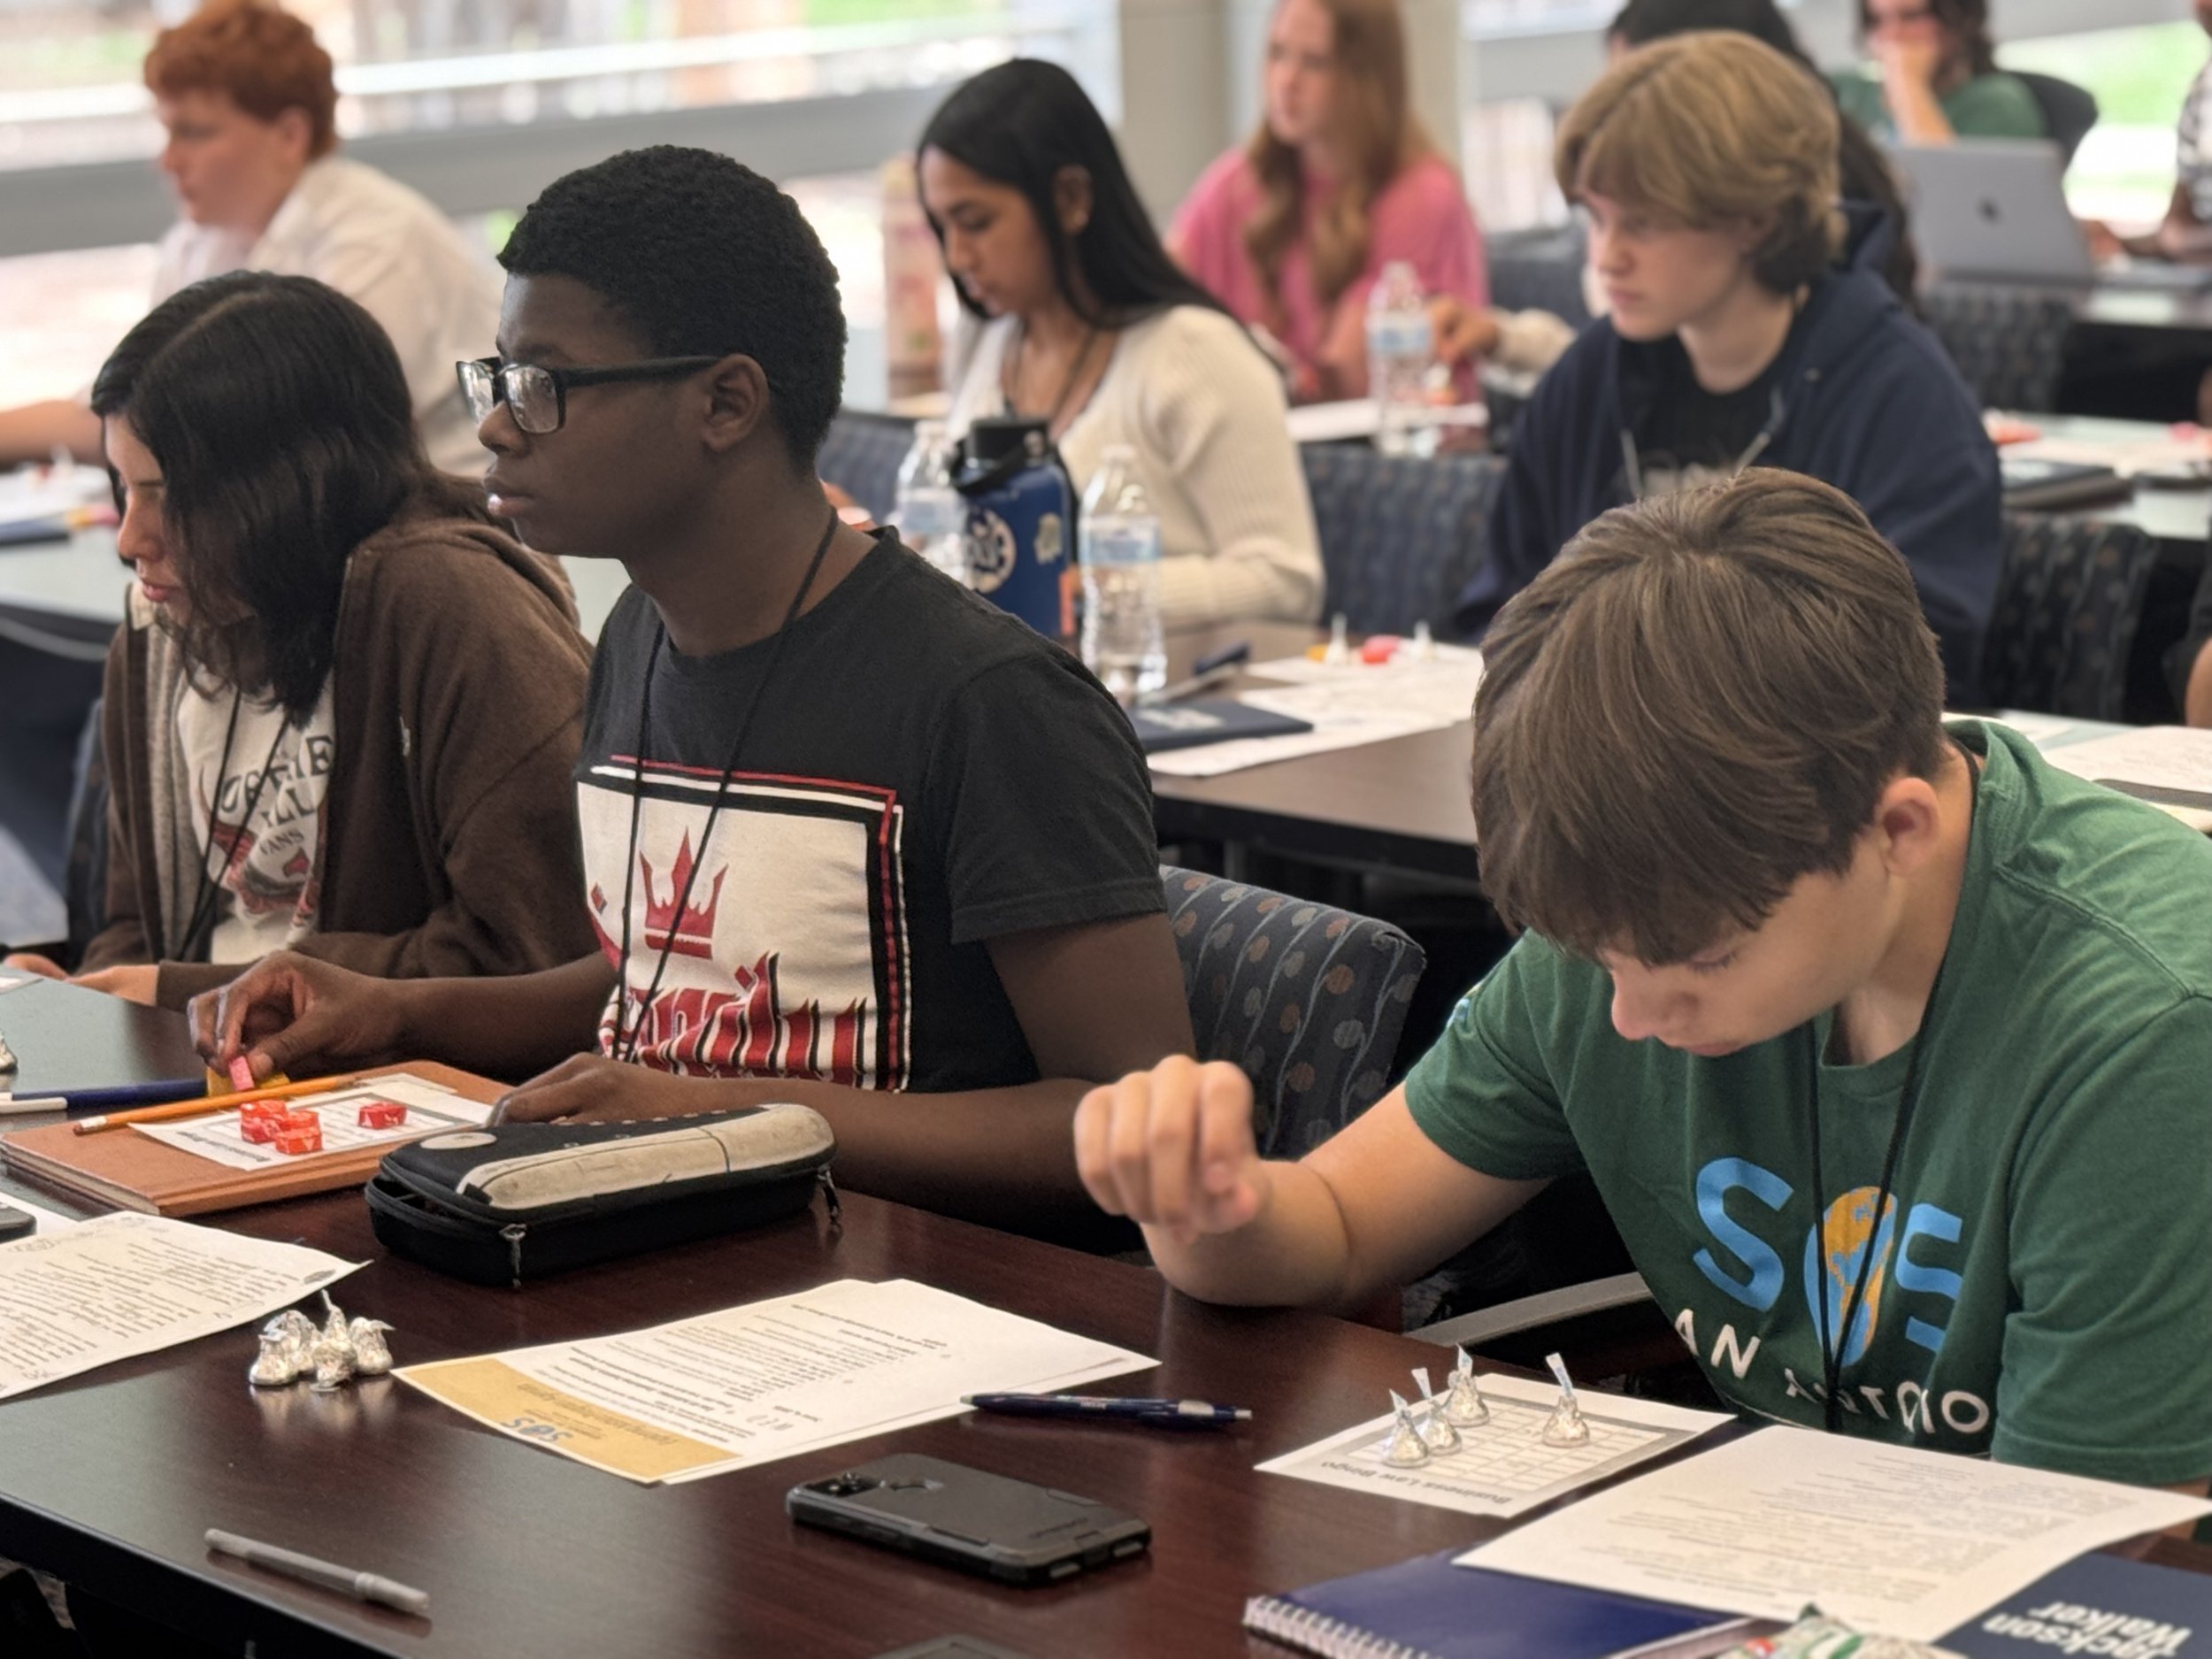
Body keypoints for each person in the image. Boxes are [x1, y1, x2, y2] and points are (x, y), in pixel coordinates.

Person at [1079, 471, 2212, 1489]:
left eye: (1701, 962)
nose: (1629, 1013)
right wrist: (1205, 1211)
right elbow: (1329, 1228)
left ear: (1898, 829)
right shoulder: (1649, 910)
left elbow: (2086, 1569)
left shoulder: (2147, 1033)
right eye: (1598, 959)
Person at [191, 146, 1196, 1248]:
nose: (495, 426)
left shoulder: (987, 703)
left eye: (545, 386)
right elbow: (659, 987)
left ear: (725, 402)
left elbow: (1126, 1120)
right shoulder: (638, 638)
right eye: (498, 378)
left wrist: (724, 1115)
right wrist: (398, 1010)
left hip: (915, 1298)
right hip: (685, 1253)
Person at [0, 272, 595, 1010]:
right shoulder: (160, 631)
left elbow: (535, 956)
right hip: (216, 1075)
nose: (130, 539)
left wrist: (185, 992)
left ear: (291, 489)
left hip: (408, 1087)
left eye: (167, 496)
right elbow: (136, 932)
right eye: (125, 489)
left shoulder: (454, 605)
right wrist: (89, 998)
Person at [1456, 31, 2001, 705]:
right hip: (1598, 766)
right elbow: (1502, 611)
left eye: (1644, 223)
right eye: (1596, 219)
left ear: (1755, 222)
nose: (1606, 256)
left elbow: (1910, 668)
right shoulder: (1592, 372)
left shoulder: (1898, 391)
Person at [0, 0, 499, 475]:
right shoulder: (199, 245)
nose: (168, 161)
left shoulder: (375, 245)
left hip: (454, 532)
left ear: (288, 135)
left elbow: (274, 439)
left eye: (193, 133)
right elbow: (129, 408)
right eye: (167, 131)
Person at [919, 60, 1324, 629]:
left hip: (1155, 692)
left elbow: (1285, 581)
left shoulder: (1194, 353)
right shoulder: (986, 340)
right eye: (943, 229)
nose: (958, 258)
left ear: (1070, 198)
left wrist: (1091, 592)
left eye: (977, 223)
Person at [1170, 0, 1549, 395]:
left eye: (1314, 62)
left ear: (1364, 75)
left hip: (1381, 448)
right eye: (1277, 54)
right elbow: (1155, 292)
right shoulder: (1241, 179)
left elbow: (1342, 380)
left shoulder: (1423, 196)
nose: (1286, 80)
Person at [2085, 0, 2212, 269]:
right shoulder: (2203, 88)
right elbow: (2180, 218)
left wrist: (2180, 240)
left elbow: (2179, 236)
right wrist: (2121, 242)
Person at [1828, 0, 2048, 145]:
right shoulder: (1849, 92)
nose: (1892, 34)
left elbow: (1951, 192)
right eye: (1877, 20)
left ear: (1959, 21)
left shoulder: (1997, 103)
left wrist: (1908, 85)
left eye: (1911, 17)